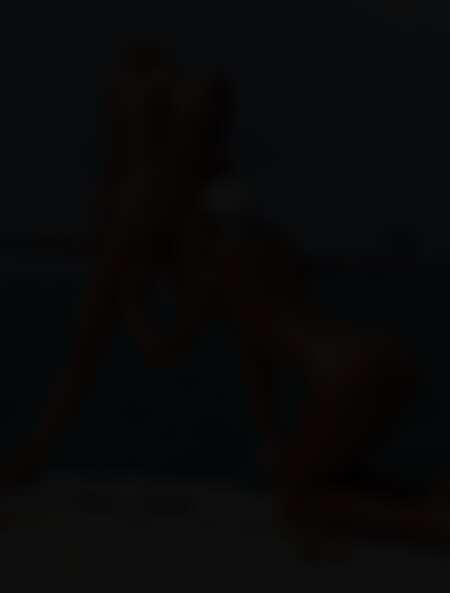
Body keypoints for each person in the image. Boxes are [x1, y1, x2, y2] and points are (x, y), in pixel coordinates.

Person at [1, 42, 446, 552]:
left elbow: (148, 350)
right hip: (384, 360)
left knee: (301, 502)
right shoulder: (243, 222)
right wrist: (271, 442)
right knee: (340, 477)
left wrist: (125, 296)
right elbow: (258, 347)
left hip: (350, 381)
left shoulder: (165, 226)